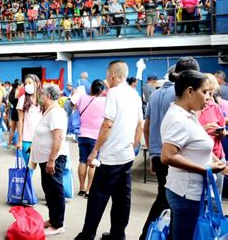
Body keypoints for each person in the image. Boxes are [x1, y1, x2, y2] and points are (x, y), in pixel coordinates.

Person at [76, 60, 143, 240]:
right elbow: (140, 124)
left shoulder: (113, 94)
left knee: (97, 198)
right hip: (126, 155)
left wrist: (95, 150)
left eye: (107, 75)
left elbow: (107, 124)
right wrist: (134, 144)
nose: (106, 79)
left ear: (112, 75)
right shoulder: (134, 94)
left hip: (111, 156)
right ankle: (117, 234)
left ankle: (88, 234)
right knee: (122, 198)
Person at [139, 56, 201, 240]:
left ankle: (150, 235)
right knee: (170, 202)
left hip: (159, 155)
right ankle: (149, 235)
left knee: (164, 200)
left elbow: (147, 126)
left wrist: (152, 154)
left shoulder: (156, 93)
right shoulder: (180, 95)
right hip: (174, 157)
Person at [161, 70, 226, 240]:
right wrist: (204, 169)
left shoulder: (188, 115)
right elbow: (167, 156)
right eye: (204, 92)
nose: (208, 98)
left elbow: (198, 145)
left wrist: (218, 163)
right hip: (186, 193)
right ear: (190, 91)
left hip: (194, 191)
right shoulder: (177, 119)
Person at [30, 84, 68, 236]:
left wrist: (52, 160)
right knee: (49, 191)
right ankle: (53, 220)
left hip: (53, 159)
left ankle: (58, 224)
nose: (39, 97)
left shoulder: (56, 113)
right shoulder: (49, 111)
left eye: (41, 95)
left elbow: (58, 137)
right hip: (45, 158)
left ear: (47, 96)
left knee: (55, 191)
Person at [75, 79, 106, 199]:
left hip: (82, 134)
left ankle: (81, 188)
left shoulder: (82, 98)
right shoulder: (104, 101)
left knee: (82, 161)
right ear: (102, 90)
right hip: (95, 136)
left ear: (91, 88)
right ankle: (89, 190)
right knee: (92, 163)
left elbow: (75, 107)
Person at [198, 73, 226, 195]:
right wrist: (203, 129)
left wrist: (221, 133)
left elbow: (223, 129)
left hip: (217, 155)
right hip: (200, 158)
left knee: (216, 200)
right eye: (206, 93)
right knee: (200, 199)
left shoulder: (215, 108)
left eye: (211, 94)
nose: (209, 97)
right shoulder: (193, 111)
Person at [17, 74, 43, 166]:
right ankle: (29, 181)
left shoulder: (43, 99)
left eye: (30, 83)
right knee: (29, 169)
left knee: (45, 169)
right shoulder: (22, 99)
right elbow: (20, 121)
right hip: (27, 139)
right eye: (26, 83)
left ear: (37, 84)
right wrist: (19, 140)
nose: (27, 85)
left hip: (42, 138)